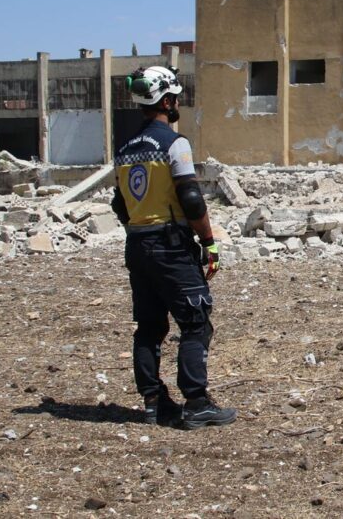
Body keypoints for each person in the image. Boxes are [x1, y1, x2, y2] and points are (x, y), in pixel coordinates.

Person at [110, 65, 237, 430]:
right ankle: (196, 402)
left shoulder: (125, 149)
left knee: (149, 326)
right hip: (171, 244)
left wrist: (142, 231)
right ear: (166, 100)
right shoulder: (174, 143)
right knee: (196, 322)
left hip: (137, 244)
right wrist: (209, 243)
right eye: (175, 97)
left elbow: (120, 205)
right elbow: (192, 199)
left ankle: (154, 401)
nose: (177, 102)